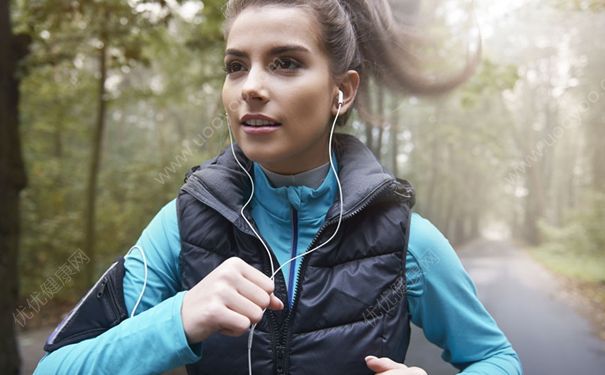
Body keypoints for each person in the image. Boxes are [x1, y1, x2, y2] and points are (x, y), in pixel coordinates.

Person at [34, 1, 522, 374]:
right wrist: (178, 318)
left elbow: (497, 358)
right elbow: (54, 366)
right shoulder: (182, 226)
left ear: (342, 91)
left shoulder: (406, 239)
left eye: (285, 62)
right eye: (236, 66)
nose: (250, 86)